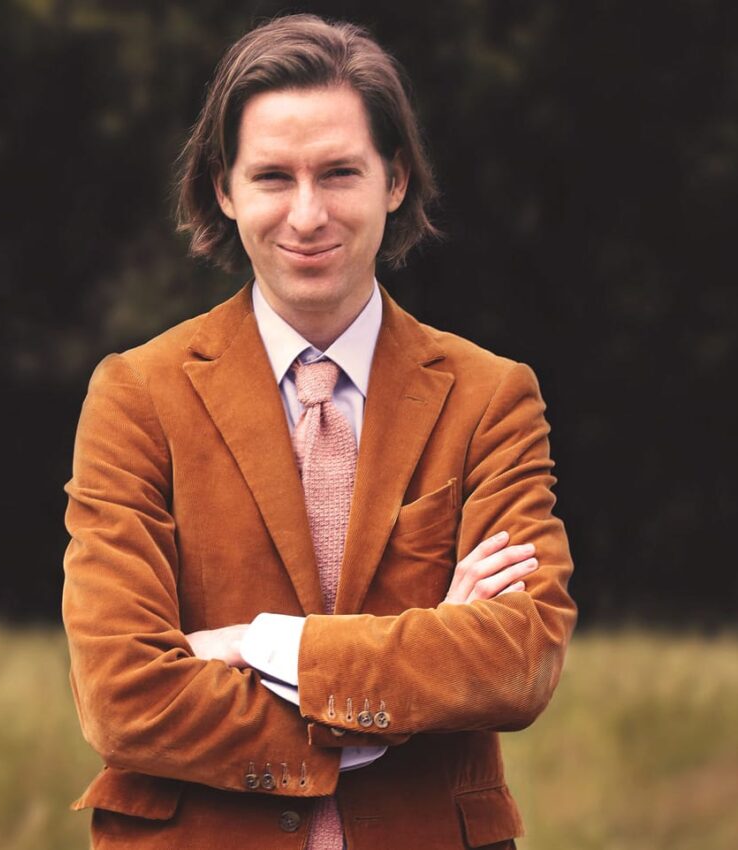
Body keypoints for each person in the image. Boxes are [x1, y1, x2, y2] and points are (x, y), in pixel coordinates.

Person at [62, 14, 576, 850]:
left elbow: (516, 659)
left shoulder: (491, 397)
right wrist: (398, 692)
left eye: (340, 172)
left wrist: (265, 643)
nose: (307, 215)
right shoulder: (137, 396)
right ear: (224, 190)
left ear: (396, 179)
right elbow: (123, 697)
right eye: (272, 177)